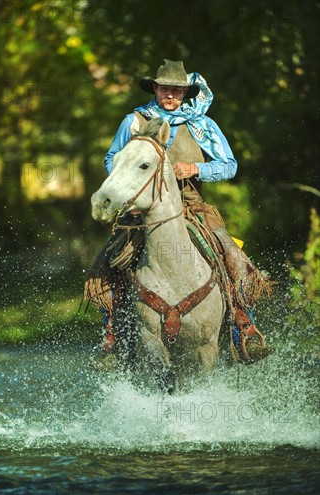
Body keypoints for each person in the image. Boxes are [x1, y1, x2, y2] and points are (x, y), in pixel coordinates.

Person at [85, 59, 272, 362]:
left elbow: (229, 165)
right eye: (165, 88)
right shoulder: (135, 122)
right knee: (108, 261)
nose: (170, 95)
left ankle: (243, 328)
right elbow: (112, 158)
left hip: (192, 206)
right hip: (142, 208)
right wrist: (129, 180)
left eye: (177, 90)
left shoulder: (203, 125)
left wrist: (196, 168)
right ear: (155, 88)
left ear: (185, 92)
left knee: (233, 256)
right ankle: (111, 337)